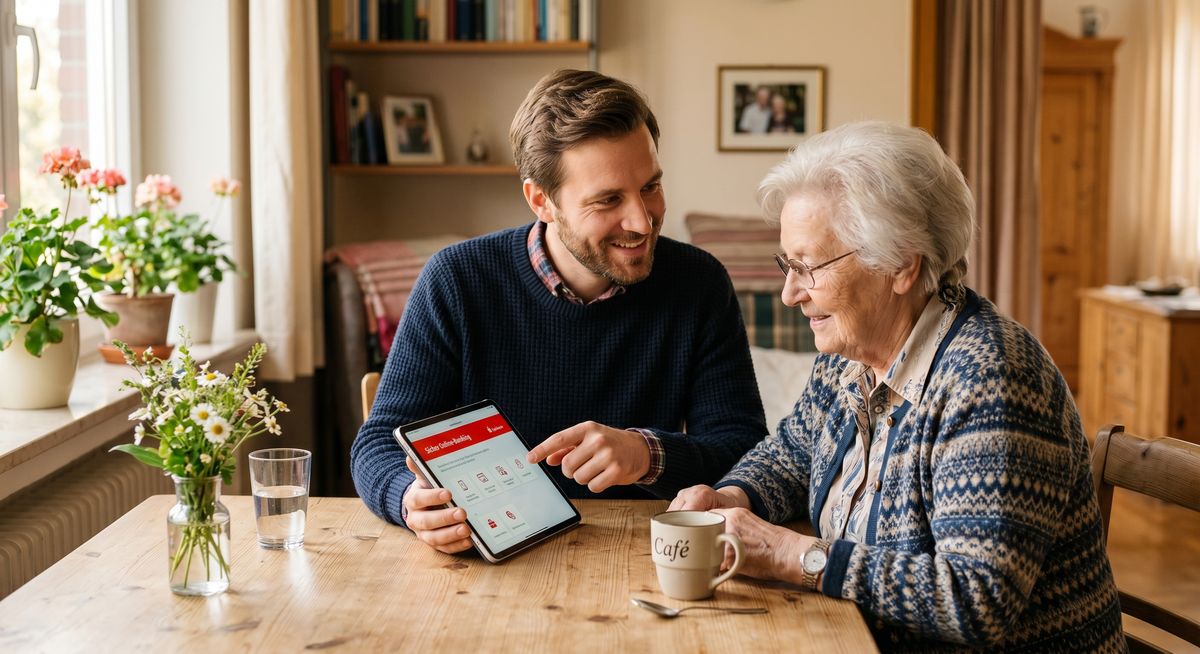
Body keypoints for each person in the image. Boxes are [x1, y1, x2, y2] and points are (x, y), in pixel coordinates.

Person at [670, 122, 1124, 651]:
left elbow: (975, 601)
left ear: (901, 265)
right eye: (785, 264)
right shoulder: (850, 357)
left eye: (807, 266)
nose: (790, 292)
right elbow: (792, 453)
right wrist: (731, 496)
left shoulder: (993, 380)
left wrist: (792, 555)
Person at [352, 69, 767, 555]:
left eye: (650, 186)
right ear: (541, 200)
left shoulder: (699, 283)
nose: (642, 220)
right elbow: (378, 442)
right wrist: (408, 500)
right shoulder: (458, 280)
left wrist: (648, 455)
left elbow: (744, 449)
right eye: (608, 200)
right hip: (487, 565)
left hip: (641, 554)